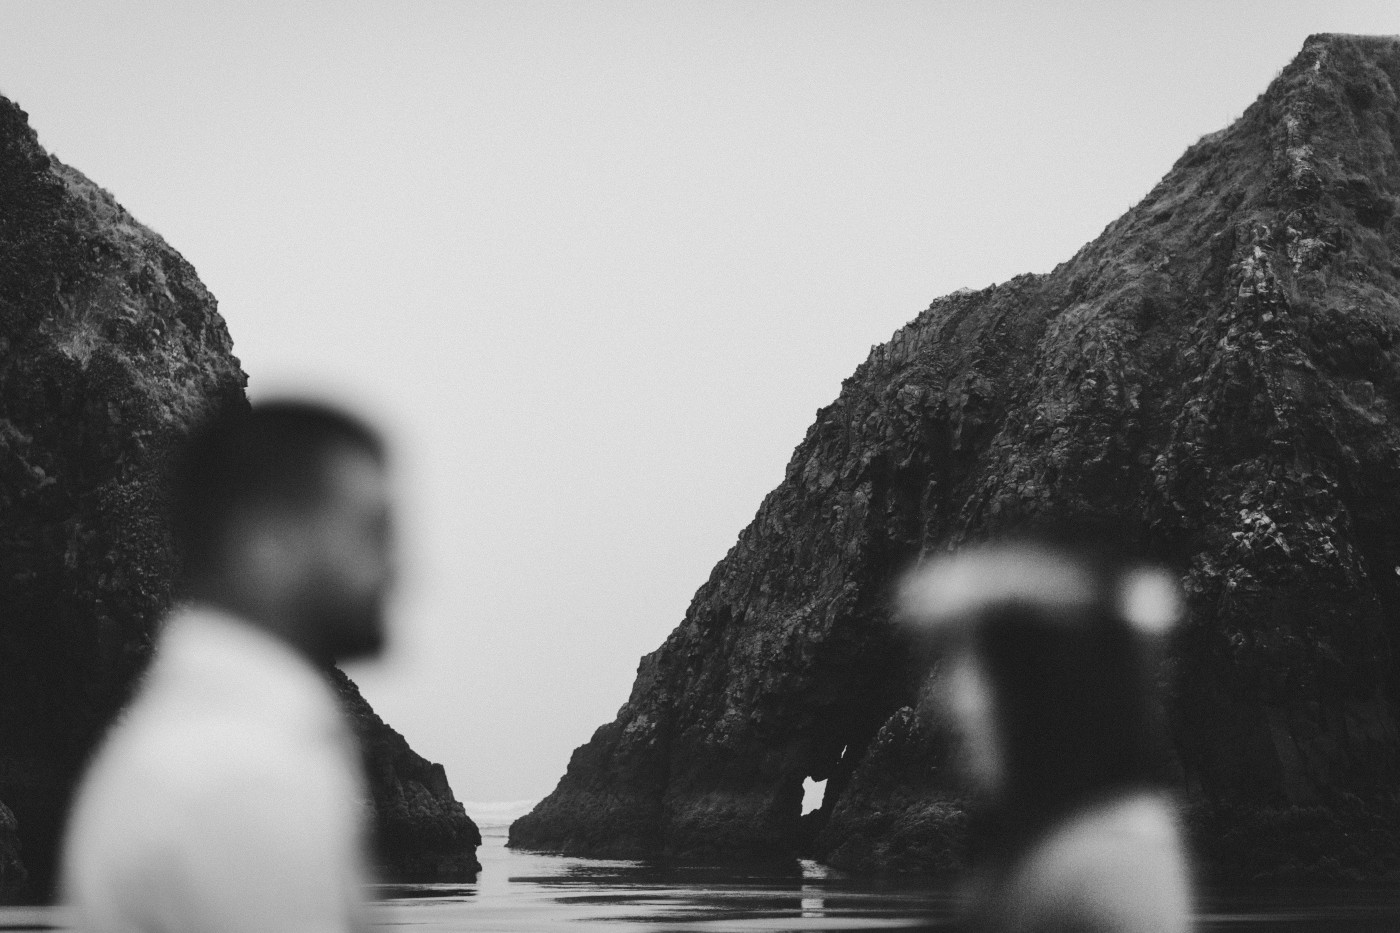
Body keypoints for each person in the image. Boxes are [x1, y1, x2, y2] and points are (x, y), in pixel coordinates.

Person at [61, 400, 395, 933]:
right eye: (372, 532)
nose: (395, 569)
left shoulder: (209, 740)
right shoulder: (241, 774)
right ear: (267, 542)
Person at [900, 537, 1193, 933]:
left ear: (1050, 689)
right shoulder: (1067, 839)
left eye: (981, 671)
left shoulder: (1099, 869)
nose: (945, 701)